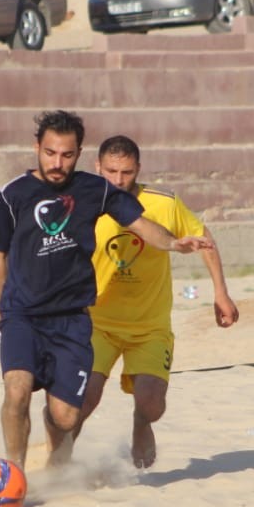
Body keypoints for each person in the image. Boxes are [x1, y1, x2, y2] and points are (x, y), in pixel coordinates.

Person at [0, 111, 215, 470]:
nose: (57, 163)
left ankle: (55, 451)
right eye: (49, 153)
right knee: (16, 390)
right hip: (22, 315)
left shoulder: (95, 191)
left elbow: (140, 224)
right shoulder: (11, 196)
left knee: (64, 417)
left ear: (79, 153)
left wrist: (173, 244)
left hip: (72, 319)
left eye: (66, 154)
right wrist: (0, 315)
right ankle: (12, 472)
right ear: (37, 148)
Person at [75, 135, 239, 469]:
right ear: (97, 167)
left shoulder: (163, 202)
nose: (119, 180)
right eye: (111, 172)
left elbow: (203, 238)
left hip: (149, 326)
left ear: (138, 169)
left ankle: (140, 423)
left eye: (127, 172)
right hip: (97, 323)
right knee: (84, 397)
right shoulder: (82, 200)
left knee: (152, 405)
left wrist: (220, 291)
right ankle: (59, 457)